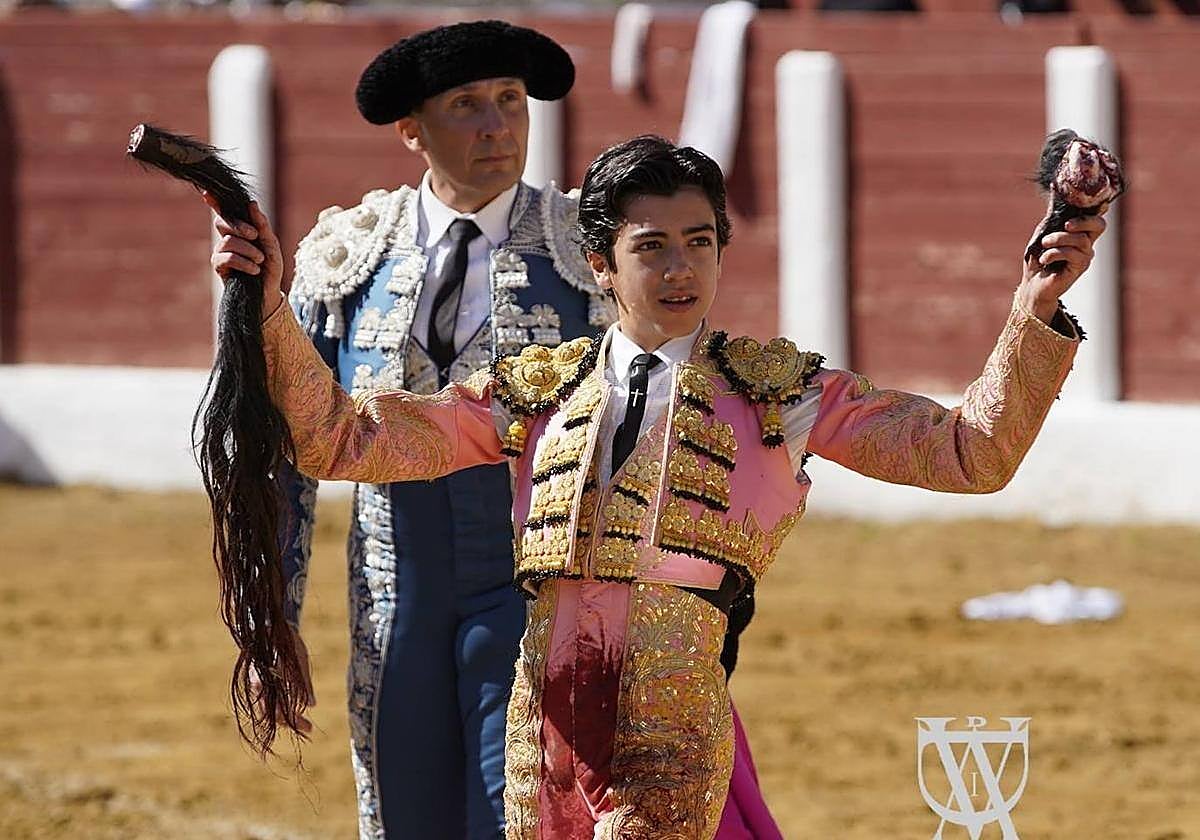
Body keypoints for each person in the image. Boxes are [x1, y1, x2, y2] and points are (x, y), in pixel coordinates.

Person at [214, 134, 1103, 838]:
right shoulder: (537, 389)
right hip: (544, 713)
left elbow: (968, 454)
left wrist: (1037, 308)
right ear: (601, 263)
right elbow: (342, 441)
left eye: (700, 243)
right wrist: (267, 307)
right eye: (652, 248)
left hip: (675, 702)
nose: (681, 270)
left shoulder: (780, 393)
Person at [209, 20, 612, 840]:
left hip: (537, 587)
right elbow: (285, 447)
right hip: (395, 594)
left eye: (509, 100)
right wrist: (270, 618)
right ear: (412, 131)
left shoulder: (589, 250)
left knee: (522, 814)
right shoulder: (347, 253)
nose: (498, 125)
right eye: (467, 105)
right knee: (405, 811)